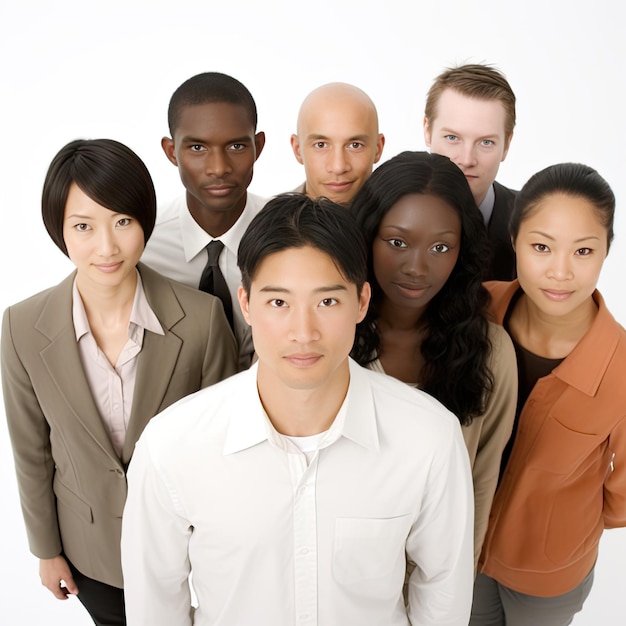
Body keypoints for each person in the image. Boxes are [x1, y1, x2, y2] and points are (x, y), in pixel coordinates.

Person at [121, 193, 475, 625]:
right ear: (246, 303)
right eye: (279, 303)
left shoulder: (429, 437)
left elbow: (444, 591)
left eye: (327, 302)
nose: (303, 332)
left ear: (361, 302)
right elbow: (154, 606)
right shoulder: (171, 445)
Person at [1, 139, 238, 626]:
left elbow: (228, 447)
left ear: (145, 223)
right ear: (59, 232)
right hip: (90, 554)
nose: (106, 247)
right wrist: (45, 550)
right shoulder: (21, 326)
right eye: (83, 226)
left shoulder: (201, 319)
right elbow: (31, 450)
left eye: (123, 222)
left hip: (192, 553)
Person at [471, 163, 626, 625]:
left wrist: (569, 526)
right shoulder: (476, 310)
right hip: (462, 545)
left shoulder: (621, 364)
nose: (560, 272)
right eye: (541, 247)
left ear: (605, 252)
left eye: (583, 251)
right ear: (514, 241)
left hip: (549, 574)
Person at [350, 150, 517, 569]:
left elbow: (479, 482)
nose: (417, 267)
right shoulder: (328, 334)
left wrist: (453, 587)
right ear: (367, 236)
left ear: (462, 250)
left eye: (441, 246)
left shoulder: (491, 352)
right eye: (398, 242)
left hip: (433, 578)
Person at [141, 71, 266, 370]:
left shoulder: (290, 234)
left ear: (258, 147)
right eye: (197, 148)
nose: (218, 168)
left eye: (236, 146)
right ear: (172, 152)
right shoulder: (143, 244)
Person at [423, 63, 517, 281]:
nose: (466, 160)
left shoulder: (535, 222)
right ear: (427, 131)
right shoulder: (383, 213)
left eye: (485, 142)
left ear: (507, 145)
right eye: (452, 138)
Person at [290, 82, 385, 205]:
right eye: (321, 145)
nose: (338, 167)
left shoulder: (404, 218)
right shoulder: (265, 221)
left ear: (378, 149)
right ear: (298, 150)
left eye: (355, 145)